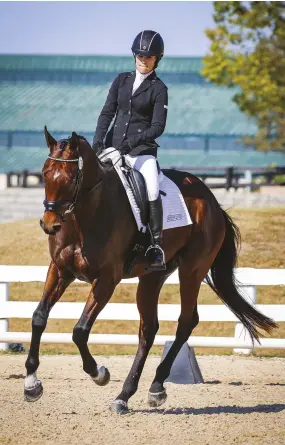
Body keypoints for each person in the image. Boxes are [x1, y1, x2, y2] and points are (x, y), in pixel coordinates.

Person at [92, 30, 168, 271]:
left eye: (149, 57)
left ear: (157, 59)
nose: (143, 60)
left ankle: (155, 245)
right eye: (140, 55)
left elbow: (158, 127)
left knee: (152, 188)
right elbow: (107, 112)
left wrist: (130, 144)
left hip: (141, 153)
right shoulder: (121, 80)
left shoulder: (159, 88)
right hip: (113, 149)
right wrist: (98, 141)